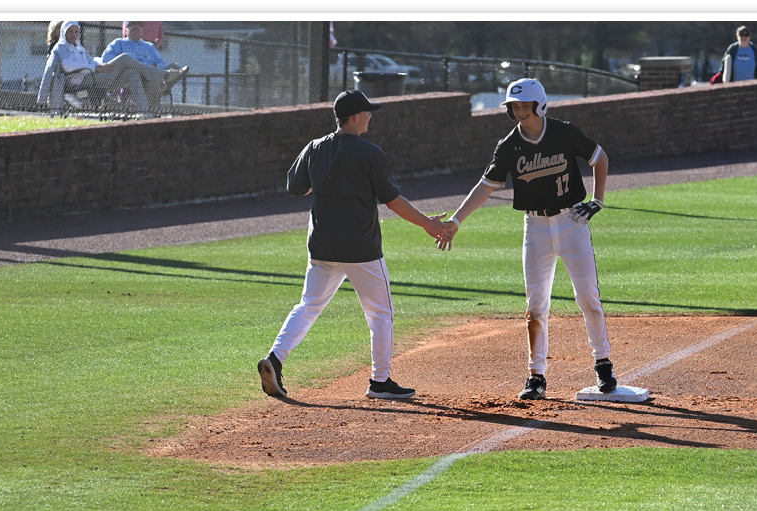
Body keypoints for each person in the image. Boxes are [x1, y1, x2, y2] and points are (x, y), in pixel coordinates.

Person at [258, 91, 452, 401]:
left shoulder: (315, 147)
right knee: (380, 315)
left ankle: (276, 359)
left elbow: (295, 187)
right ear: (355, 117)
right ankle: (380, 381)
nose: (371, 116)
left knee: (308, 306)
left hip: (322, 247)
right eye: (367, 112)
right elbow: (392, 200)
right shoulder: (369, 152)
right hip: (361, 250)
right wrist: (427, 223)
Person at [439, 78, 617, 401]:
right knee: (536, 306)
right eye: (514, 107)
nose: (520, 112)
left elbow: (600, 158)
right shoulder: (508, 146)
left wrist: (598, 199)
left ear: (540, 104)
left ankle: (603, 362)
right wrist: (455, 220)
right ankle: (536, 376)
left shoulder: (563, 132)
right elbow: (485, 186)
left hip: (571, 221)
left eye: (525, 105)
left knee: (588, 296)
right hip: (534, 227)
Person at [37, 21, 182, 116]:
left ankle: (143, 113)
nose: (73, 35)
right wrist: (41, 99)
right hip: (83, 80)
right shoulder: (60, 48)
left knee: (131, 73)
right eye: (70, 31)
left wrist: (99, 65)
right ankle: (162, 75)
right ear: (63, 32)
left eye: (76, 31)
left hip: (96, 78)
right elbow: (66, 67)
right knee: (125, 58)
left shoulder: (79, 48)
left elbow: (92, 62)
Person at [101, 21, 188, 102]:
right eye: (133, 28)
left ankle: (161, 87)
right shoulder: (119, 43)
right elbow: (105, 58)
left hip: (150, 79)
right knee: (132, 68)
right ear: (126, 31)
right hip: (130, 79)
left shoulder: (149, 46)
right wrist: (129, 62)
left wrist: (155, 66)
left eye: (138, 28)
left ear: (142, 31)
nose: (135, 31)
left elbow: (162, 63)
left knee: (175, 66)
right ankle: (162, 79)